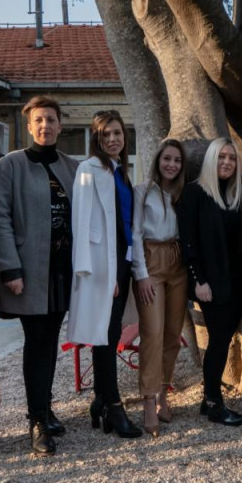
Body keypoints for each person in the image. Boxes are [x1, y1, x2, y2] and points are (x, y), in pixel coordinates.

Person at [0, 96, 80, 455]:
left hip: (62, 270)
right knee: (37, 342)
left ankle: (46, 405)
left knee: (50, 340)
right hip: (29, 271)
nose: (45, 126)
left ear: (60, 125)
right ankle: (37, 420)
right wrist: (10, 267)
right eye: (39, 120)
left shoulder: (71, 167)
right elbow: (0, 216)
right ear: (30, 126)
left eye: (51, 120)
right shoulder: (11, 165)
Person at [66, 109, 142, 439]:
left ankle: (99, 400)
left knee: (107, 333)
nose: (112, 139)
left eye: (117, 133)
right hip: (100, 264)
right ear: (97, 139)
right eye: (105, 134)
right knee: (106, 336)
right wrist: (91, 270)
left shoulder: (120, 172)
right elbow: (81, 222)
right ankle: (113, 405)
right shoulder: (89, 169)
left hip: (122, 262)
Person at [179, 137, 242, 426]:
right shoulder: (194, 193)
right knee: (219, 341)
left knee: (223, 339)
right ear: (211, 159)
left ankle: (209, 399)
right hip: (210, 283)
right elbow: (188, 242)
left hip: (237, 283)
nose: (227, 162)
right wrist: (199, 281)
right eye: (221, 157)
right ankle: (213, 403)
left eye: (232, 158)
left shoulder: (235, 195)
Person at [132, 139, 188, 437]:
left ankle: (163, 392)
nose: (171, 165)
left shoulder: (181, 192)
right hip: (151, 261)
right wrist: (141, 275)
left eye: (177, 160)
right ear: (158, 160)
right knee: (152, 332)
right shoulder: (142, 191)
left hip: (177, 263)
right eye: (167, 158)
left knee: (172, 333)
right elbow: (135, 234)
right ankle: (148, 399)